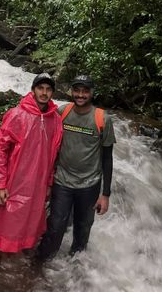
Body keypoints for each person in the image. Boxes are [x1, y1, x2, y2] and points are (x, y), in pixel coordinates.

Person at [36, 74, 116, 260]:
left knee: (82, 229)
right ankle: (40, 264)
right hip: (62, 181)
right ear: (71, 91)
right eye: (77, 91)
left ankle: (75, 269)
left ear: (91, 93)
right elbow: (45, 136)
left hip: (89, 184)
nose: (80, 95)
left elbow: (107, 158)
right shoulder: (62, 112)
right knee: (55, 226)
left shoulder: (102, 119)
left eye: (85, 91)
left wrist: (105, 195)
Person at [0, 73, 63, 253]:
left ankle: (20, 263)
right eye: (40, 88)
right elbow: (0, 150)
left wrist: (49, 183)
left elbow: (54, 156)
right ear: (33, 90)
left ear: (52, 93)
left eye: (48, 89)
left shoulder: (56, 120)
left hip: (38, 183)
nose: (44, 93)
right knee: (7, 223)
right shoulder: (17, 115)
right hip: (14, 181)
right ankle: (1, 265)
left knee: (30, 222)